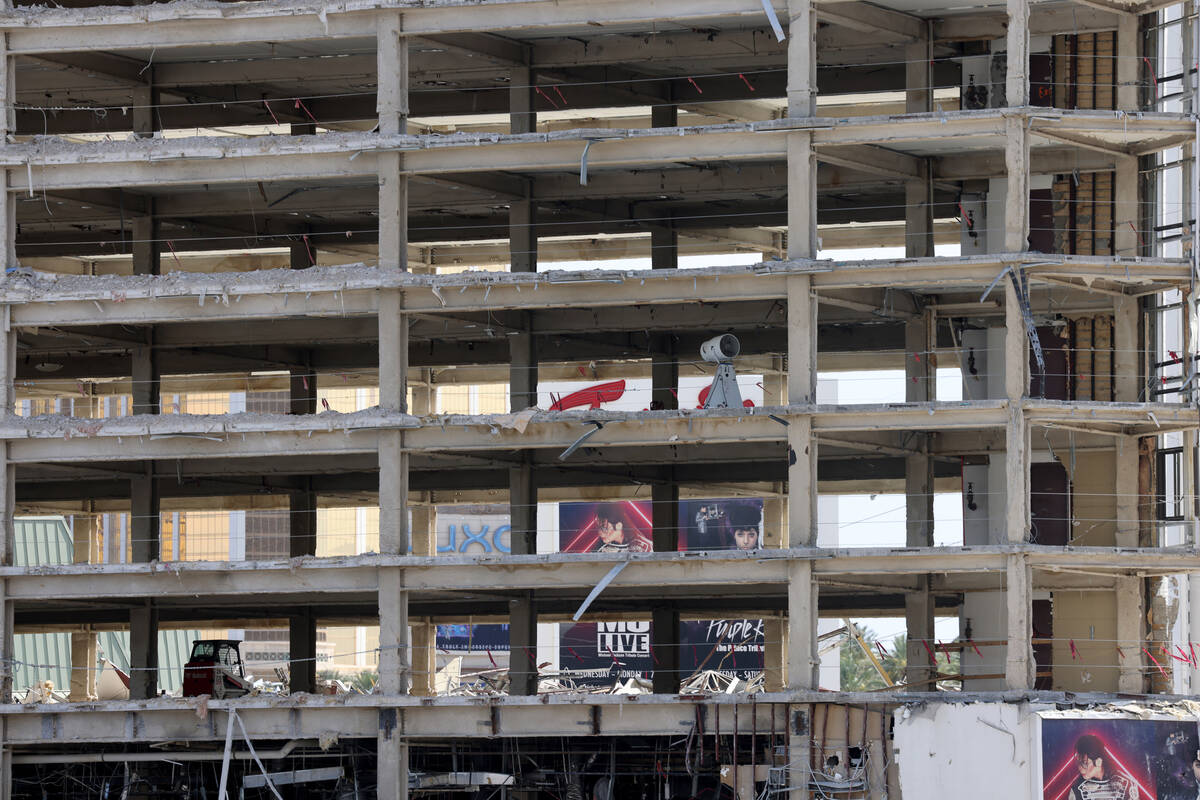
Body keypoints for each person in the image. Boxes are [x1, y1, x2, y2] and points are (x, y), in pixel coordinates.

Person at [1068, 734, 1139, 800]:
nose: (1080, 768)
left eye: (1084, 763)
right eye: (1078, 762)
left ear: (1099, 762)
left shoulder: (1127, 783)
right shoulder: (1076, 788)